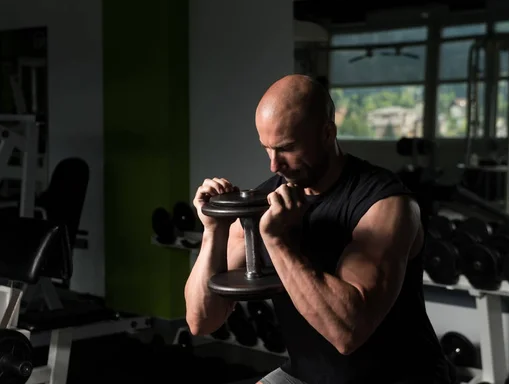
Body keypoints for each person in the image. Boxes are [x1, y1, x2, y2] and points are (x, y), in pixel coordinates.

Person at [184, 74, 455, 384]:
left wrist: (278, 241)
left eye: (286, 148)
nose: (274, 166)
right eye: (267, 149)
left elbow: (348, 334)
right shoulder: (266, 201)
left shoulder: (385, 205)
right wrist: (213, 230)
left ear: (328, 132)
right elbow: (201, 320)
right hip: (307, 375)